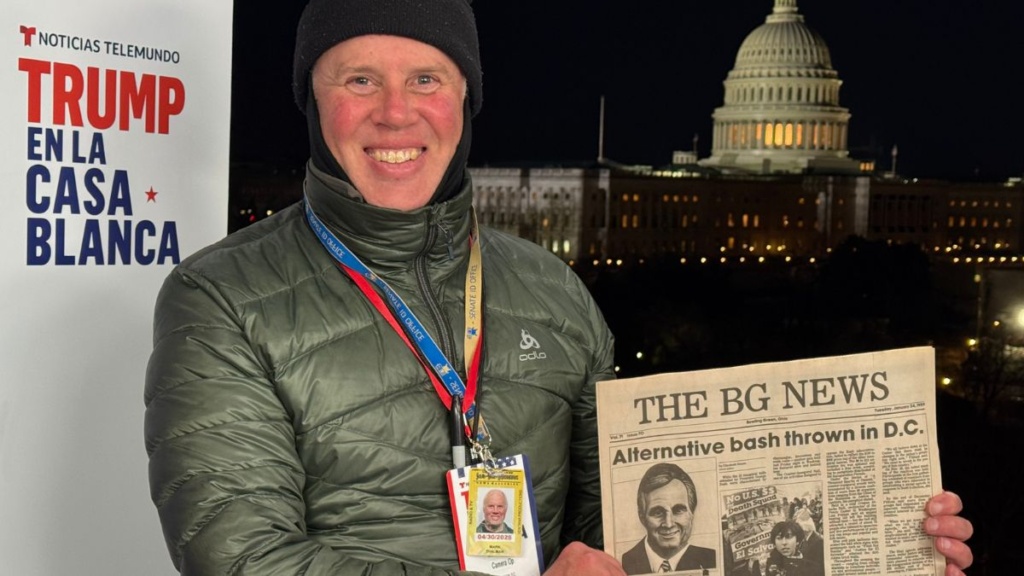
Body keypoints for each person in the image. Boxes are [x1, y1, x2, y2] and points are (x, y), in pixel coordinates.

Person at [143, 1, 975, 575]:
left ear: (466, 96)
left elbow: (618, 522)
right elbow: (243, 559)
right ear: (311, 100)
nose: (395, 114)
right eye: (358, 79)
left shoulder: (551, 290)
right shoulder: (219, 297)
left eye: (426, 79)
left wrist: (883, 540)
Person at [621, 463, 716, 574]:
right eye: (658, 512)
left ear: (692, 513)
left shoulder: (712, 559)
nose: (669, 524)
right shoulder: (621, 563)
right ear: (642, 517)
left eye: (678, 510)